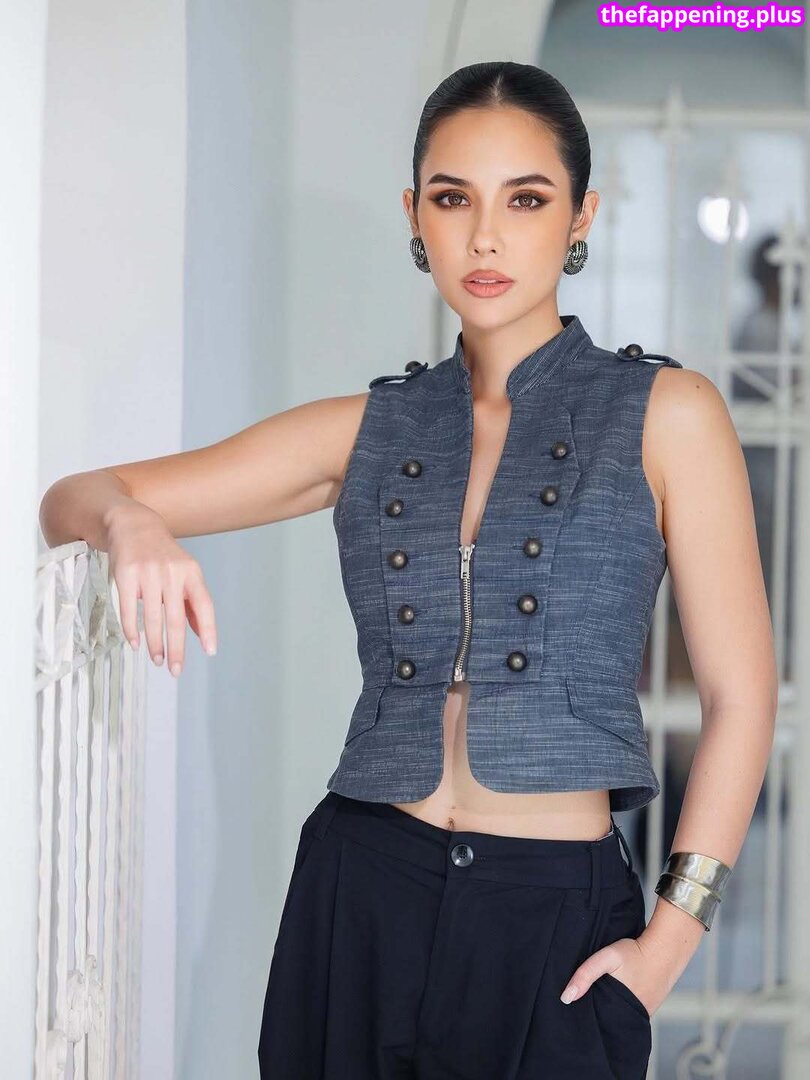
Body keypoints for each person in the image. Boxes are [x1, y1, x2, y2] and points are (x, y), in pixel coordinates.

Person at [39, 61, 778, 1080]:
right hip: (361, 892)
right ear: (415, 216)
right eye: (453, 198)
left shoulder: (669, 414)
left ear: (581, 215)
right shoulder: (370, 426)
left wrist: (669, 944)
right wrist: (131, 523)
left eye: (526, 200)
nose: (485, 237)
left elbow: (742, 699)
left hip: (552, 921)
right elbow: (73, 497)